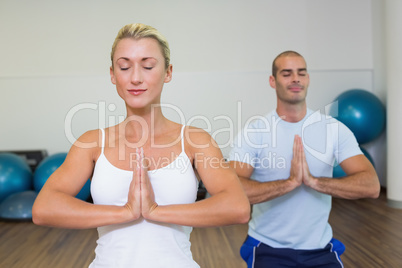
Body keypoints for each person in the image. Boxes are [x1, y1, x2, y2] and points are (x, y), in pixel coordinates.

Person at [32, 23, 250, 268]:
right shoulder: (92, 143)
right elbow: (44, 208)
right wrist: (125, 212)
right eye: (124, 66)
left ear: (168, 72)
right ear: (113, 74)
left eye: (148, 66)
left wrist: (155, 211)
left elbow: (237, 207)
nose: (135, 77)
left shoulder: (195, 141)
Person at [228, 50, 380, 268]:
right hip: (268, 248)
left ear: (308, 79)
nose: (296, 79)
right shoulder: (255, 132)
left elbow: (371, 186)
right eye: (286, 73)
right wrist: (289, 183)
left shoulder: (333, 129)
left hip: (320, 249)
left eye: (301, 72)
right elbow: (232, 191)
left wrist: (314, 182)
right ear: (273, 81)